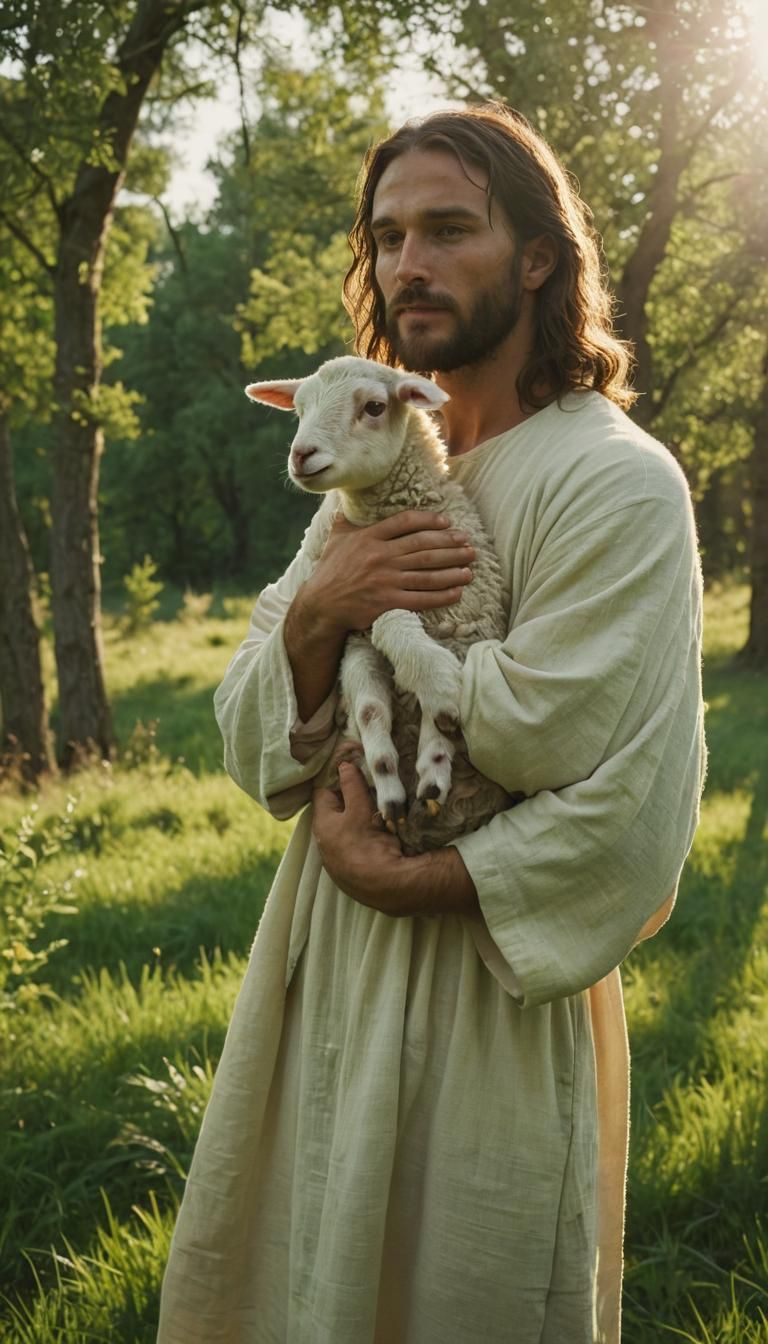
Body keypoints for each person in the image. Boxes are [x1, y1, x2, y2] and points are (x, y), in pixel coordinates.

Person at [157, 104, 705, 1344]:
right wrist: (320, 617)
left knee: (461, 1288)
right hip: (320, 961)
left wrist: (410, 880)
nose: (410, 263)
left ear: (538, 257)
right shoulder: (372, 460)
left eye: (450, 229)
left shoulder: (610, 480)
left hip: (487, 986)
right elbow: (250, 734)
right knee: (303, 1281)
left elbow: (611, 788)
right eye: (388, 234)